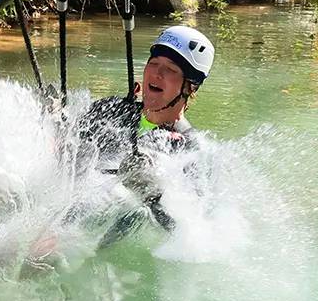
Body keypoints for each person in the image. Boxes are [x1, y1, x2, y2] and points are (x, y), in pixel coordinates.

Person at [78, 24, 215, 245]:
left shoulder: (190, 151)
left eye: (170, 68)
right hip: (65, 211)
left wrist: (152, 194)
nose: (157, 73)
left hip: (99, 238)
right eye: (153, 63)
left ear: (190, 86)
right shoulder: (111, 110)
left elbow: (187, 233)